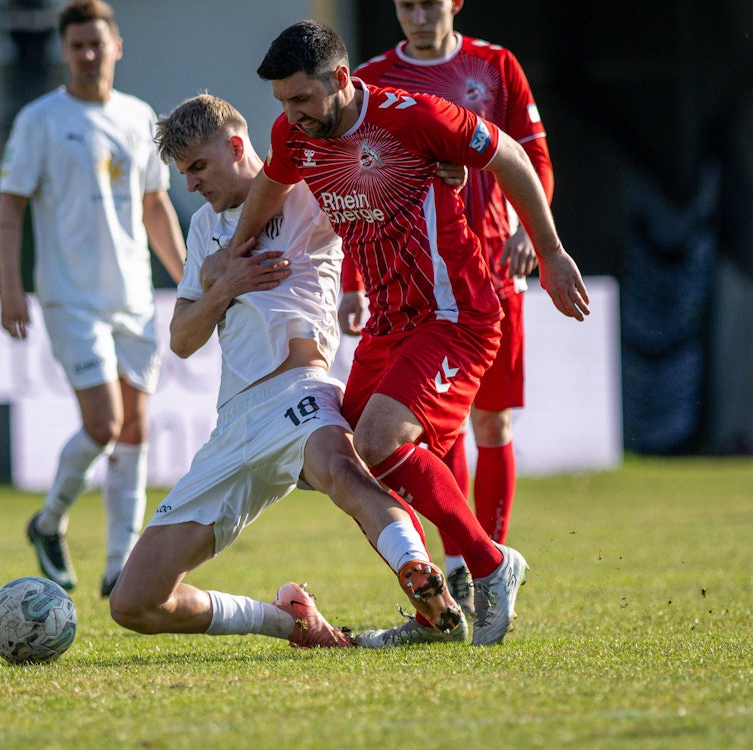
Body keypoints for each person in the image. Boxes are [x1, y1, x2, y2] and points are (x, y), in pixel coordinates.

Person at [226, 20, 590, 646]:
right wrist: (235, 251)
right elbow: (273, 181)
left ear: (342, 80)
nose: (292, 115)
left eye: (303, 98)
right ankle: (436, 609)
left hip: (456, 314)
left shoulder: (413, 115)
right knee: (345, 457)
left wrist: (550, 249)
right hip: (388, 324)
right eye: (282, 101)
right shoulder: (294, 134)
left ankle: (490, 562)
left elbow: (508, 153)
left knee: (379, 440)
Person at [109, 93, 468, 649]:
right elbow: (181, 339)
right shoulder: (204, 227)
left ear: (235, 145)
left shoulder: (310, 190)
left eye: (198, 167)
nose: (191, 184)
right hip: (232, 428)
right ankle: (291, 623)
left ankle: (424, 581)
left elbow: (382, 174)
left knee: (344, 473)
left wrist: (442, 168)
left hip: (302, 391)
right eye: (183, 173)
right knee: (134, 602)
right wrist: (223, 286)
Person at [345, 0, 555, 614]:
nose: (416, 14)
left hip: (494, 269)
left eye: (428, 1)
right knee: (423, 435)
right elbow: (355, 185)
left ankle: (491, 557)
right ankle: (464, 563)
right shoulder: (372, 79)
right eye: (405, 3)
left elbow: (532, 155)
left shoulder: (496, 65)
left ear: (454, 2)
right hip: (417, 284)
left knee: (492, 423)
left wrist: (527, 227)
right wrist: (355, 281)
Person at [0, 0, 186, 597]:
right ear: (64, 51)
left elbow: (155, 205)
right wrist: (10, 285)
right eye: (76, 46)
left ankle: (117, 562)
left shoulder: (139, 117)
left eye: (97, 44)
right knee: (103, 423)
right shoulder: (39, 120)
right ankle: (49, 522)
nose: (87, 55)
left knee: (135, 430)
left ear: (117, 46)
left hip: (132, 298)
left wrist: (189, 281)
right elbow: (10, 209)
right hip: (70, 298)